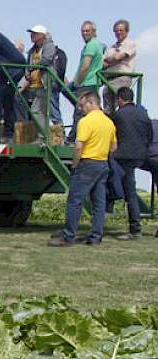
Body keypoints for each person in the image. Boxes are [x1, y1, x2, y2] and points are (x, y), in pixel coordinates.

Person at [49, 91, 116, 247]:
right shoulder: (109, 122)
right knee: (99, 203)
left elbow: (78, 146)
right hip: (102, 164)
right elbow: (114, 147)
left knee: (75, 201)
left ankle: (68, 236)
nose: (80, 108)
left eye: (82, 104)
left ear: (91, 103)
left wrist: (75, 164)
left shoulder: (86, 122)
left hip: (87, 163)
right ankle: (96, 236)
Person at [111, 87, 153, 240]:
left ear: (120, 99)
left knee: (129, 192)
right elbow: (149, 135)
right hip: (140, 156)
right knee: (129, 190)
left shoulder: (118, 115)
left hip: (123, 157)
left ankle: (135, 229)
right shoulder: (143, 114)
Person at [67, 21, 106, 141]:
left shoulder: (91, 45)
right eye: (83, 31)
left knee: (80, 111)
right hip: (91, 82)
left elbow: (85, 66)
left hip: (86, 83)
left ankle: (73, 138)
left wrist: (77, 82)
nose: (84, 33)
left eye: (87, 31)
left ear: (94, 32)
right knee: (87, 110)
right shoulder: (97, 45)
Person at [103, 19, 137, 112]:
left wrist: (111, 59)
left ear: (127, 31)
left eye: (121, 30)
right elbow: (102, 63)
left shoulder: (130, 44)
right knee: (108, 107)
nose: (118, 32)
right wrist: (114, 59)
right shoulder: (111, 47)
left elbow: (118, 57)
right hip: (109, 79)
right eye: (116, 30)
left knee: (121, 104)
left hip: (122, 77)